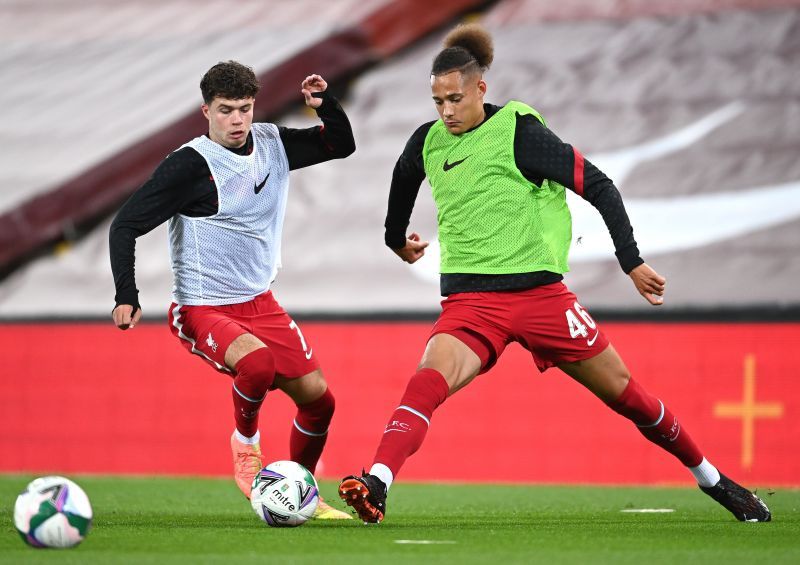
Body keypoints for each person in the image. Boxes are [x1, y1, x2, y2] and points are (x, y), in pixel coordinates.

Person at [338, 24, 771, 524]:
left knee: (629, 396)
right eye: (437, 101)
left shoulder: (521, 135)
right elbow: (401, 184)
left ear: (482, 88)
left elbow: (601, 186)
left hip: (542, 298)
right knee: (424, 385)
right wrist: (396, 239)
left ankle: (715, 481)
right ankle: (377, 485)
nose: (447, 112)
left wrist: (631, 261)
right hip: (472, 304)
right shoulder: (429, 141)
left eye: (455, 99)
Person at [110, 61, 354, 520]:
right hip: (202, 307)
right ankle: (246, 447)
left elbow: (341, 144)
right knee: (257, 364)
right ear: (206, 111)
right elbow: (125, 224)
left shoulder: (271, 143)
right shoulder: (189, 166)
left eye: (244, 108)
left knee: (320, 401)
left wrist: (327, 105)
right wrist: (128, 294)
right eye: (226, 110)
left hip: (260, 302)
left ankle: (300, 493)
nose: (238, 120)